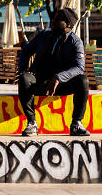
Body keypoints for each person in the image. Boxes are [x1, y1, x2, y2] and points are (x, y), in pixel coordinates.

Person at [17, 8, 90, 136]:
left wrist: (59, 77)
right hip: (40, 81)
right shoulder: (43, 35)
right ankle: (32, 123)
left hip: (61, 84)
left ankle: (76, 124)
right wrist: (23, 70)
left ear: (68, 25)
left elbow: (79, 67)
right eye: (54, 18)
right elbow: (26, 51)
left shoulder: (75, 41)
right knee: (24, 78)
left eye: (58, 19)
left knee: (83, 80)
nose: (53, 21)